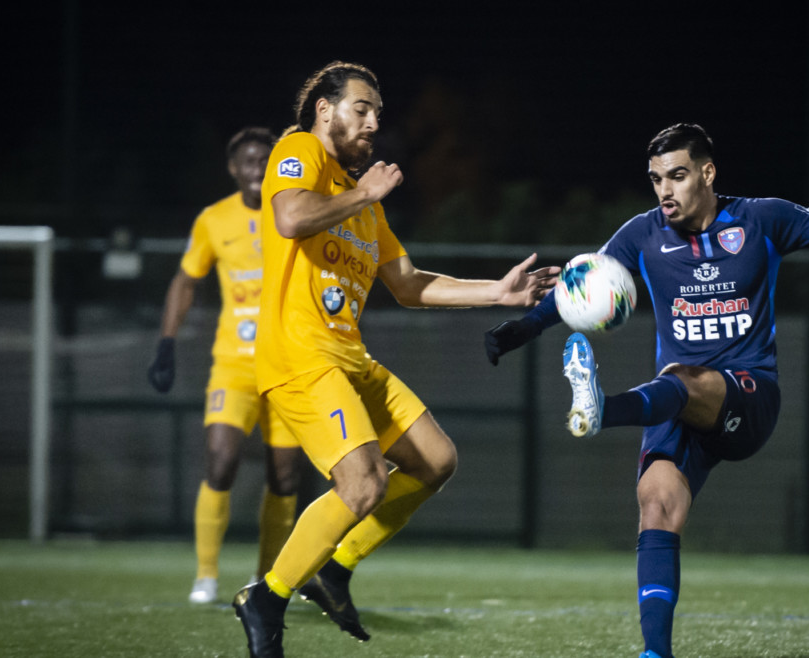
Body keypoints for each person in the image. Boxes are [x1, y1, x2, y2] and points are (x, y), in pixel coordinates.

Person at [484, 123, 809, 658]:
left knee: (681, 379)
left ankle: (603, 408)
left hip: (750, 393)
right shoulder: (643, 235)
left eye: (676, 176)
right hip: (675, 403)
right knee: (656, 505)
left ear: (707, 173)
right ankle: (655, 652)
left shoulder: (760, 218)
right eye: (655, 180)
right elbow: (581, 289)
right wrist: (517, 331)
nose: (664, 191)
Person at [232, 61, 559, 658]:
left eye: (377, 112)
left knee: (436, 460)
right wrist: (363, 192)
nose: (374, 122)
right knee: (363, 485)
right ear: (326, 109)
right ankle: (268, 596)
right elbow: (289, 217)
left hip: (350, 358)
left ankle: (336, 567)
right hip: (300, 358)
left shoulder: (366, 205)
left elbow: (408, 286)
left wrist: (499, 292)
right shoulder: (301, 148)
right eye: (362, 108)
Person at [147, 127, 304, 605]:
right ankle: (206, 575)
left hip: (289, 366)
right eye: (249, 161)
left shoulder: (297, 213)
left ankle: (264, 581)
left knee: (286, 477)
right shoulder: (214, 219)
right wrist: (166, 344)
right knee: (221, 460)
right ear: (234, 169)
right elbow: (185, 281)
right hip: (233, 366)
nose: (257, 169)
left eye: (266, 160)